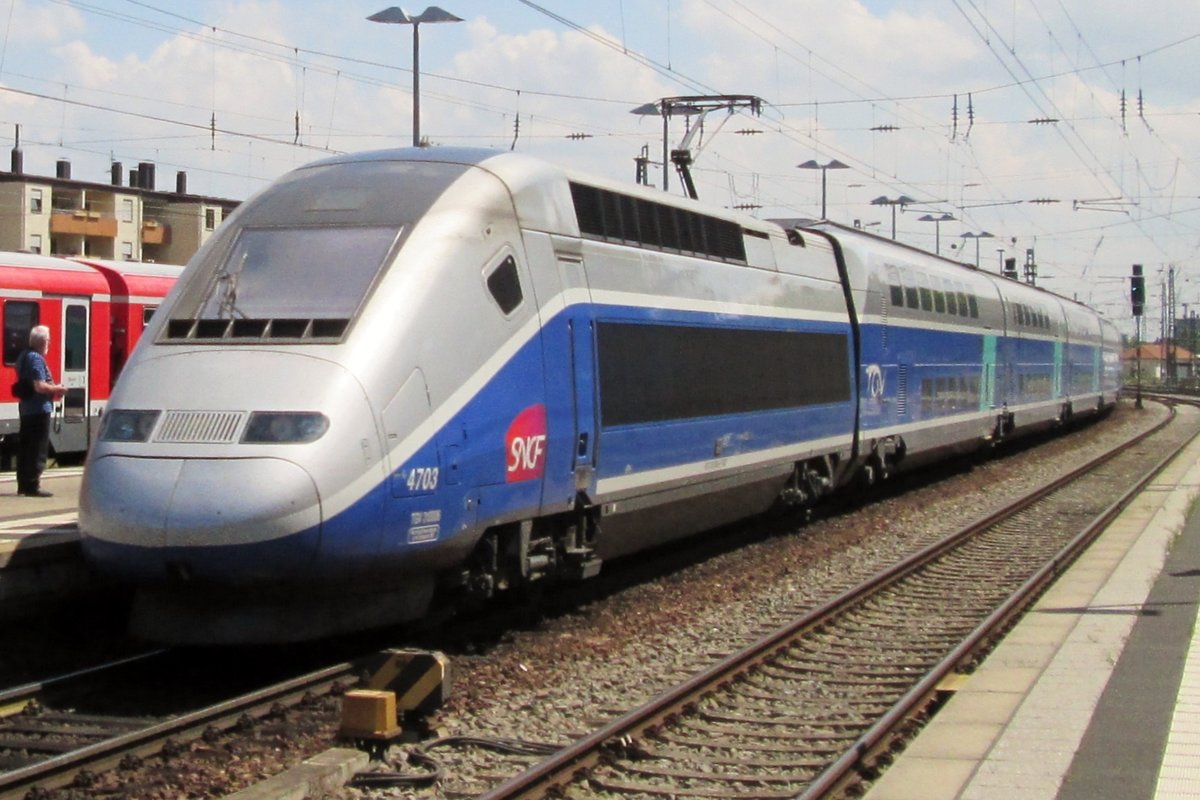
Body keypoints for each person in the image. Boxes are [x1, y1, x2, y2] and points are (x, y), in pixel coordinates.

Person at [16, 325, 66, 497]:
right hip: (38, 409)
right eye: (48, 340)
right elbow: (39, 386)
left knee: (26, 447)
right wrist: (57, 388)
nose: (49, 343)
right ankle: (32, 485)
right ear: (43, 341)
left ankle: (23, 484)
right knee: (37, 448)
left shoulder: (23, 356)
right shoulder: (36, 358)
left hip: (26, 408)